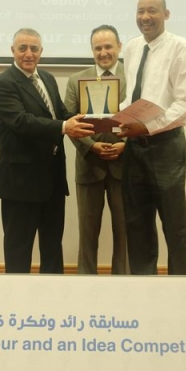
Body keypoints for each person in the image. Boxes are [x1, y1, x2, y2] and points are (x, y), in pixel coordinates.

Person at [0, 27, 94, 274]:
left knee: (52, 247)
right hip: (20, 183)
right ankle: (16, 297)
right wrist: (64, 126)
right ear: (12, 50)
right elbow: (21, 122)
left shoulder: (47, 78)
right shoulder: (3, 83)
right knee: (18, 249)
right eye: (22, 48)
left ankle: (54, 295)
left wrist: (93, 118)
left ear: (41, 51)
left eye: (34, 49)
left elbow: (59, 112)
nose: (28, 54)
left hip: (52, 181)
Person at [117, 0, 186, 275]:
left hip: (166, 147)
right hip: (134, 146)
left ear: (166, 14)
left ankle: (182, 289)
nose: (145, 17)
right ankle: (143, 287)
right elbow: (131, 96)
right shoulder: (132, 47)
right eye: (140, 11)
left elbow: (185, 103)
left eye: (152, 11)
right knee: (136, 224)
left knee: (175, 225)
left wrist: (148, 127)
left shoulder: (180, 47)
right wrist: (116, 118)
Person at [63, 25, 128, 275]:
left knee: (125, 233)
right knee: (87, 234)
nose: (103, 52)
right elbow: (69, 121)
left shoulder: (134, 77)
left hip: (125, 165)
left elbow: (143, 117)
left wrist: (126, 145)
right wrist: (91, 146)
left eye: (108, 46)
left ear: (119, 47)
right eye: (97, 48)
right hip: (89, 165)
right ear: (92, 50)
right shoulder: (75, 80)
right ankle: (85, 285)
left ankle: (123, 286)